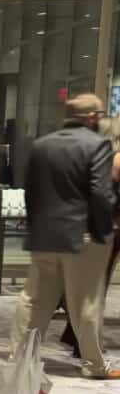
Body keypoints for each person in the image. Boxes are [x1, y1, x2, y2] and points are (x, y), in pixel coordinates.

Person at [12, 94, 119, 379]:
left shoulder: (42, 144)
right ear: (92, 118)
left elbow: (30, 191)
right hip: (83, 236)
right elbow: (100, 192)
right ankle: (94, 364)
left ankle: (19, 359)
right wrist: (104, 230)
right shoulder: (98, 145)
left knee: (35, 301)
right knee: (86, 301)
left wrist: (36, 225)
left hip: (45, 235)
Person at [61, 117, 120, 357]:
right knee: (95, 288)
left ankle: (75, 336)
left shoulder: (93, 157)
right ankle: (84, 342)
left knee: (91, 286)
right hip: (112, 227)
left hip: (97, 226)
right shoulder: (114, 159)